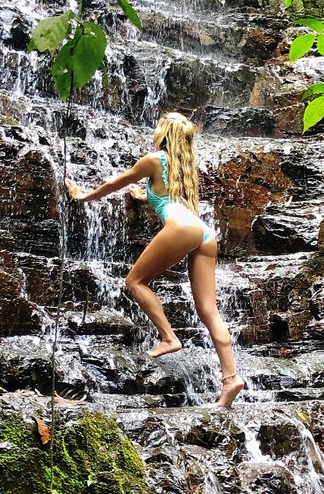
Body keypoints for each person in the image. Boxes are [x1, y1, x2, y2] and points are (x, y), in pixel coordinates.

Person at [67, 111, 246, 409]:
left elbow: (115, 183)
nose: (153, 132)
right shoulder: (183, 169)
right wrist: (143, 196)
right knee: (209, 310)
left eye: (157, 128)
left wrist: (83, 196)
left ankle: (168, 338)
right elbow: (166, 199)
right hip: (203, 233)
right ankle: (231, 379)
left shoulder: (153, 160)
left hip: (182, 228)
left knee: (135, 282)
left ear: (163, 134)